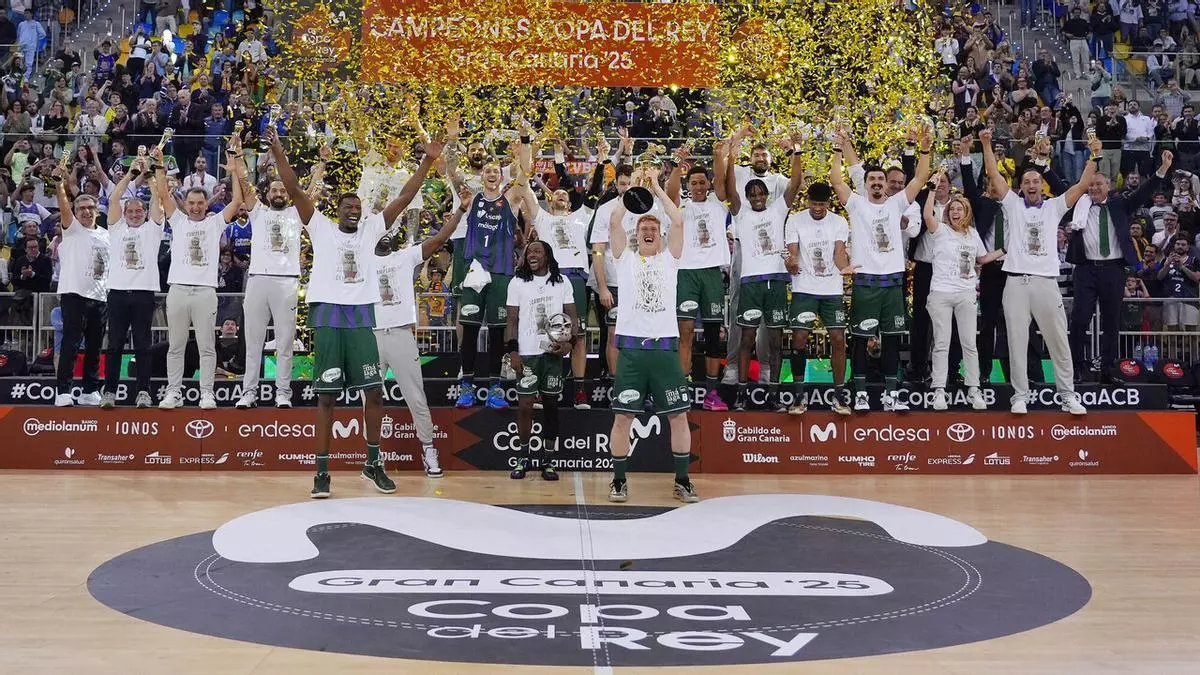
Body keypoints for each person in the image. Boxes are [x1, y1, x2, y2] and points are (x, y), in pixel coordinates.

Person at [269, 127, 441, 499]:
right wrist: (279, 150)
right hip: (329, 316)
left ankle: (373, 464)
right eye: (348, 207)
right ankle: (322, 472)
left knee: (374, 393)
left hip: (363, 316)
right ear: (338, 211)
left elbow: (405, 196)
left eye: (358, 208)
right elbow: (295, 188)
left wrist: (428, 160)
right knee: (326, 398)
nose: (353, 211)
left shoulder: (371, 230)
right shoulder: (321, 228)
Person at [980, 127, 1091, 415]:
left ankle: (1067, 395)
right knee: (1016, 341)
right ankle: (1019, 396)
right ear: (1020, 187)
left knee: (1058, 340)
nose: (1031, 184)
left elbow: (1082, 186)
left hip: (1045, 283)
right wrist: (986, 143)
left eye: (1036, 181)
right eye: (1026, 181)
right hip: (1015, 283)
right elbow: (993, 174)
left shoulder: (1054, 206)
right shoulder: (1013, 204)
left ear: (1042, 185)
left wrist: (1095, 156)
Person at [604, 165, 695, 504]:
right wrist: (633, 193)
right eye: (643, 226)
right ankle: (618, 481)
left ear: (660, 235)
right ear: (636, 233)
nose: (649, 230)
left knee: (679, 416)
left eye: (654, 228)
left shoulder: (670, 260)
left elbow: (679, 221)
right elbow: (615, 222)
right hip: (631, 351)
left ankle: (683, 480)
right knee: (622, 418)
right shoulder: (624, 259)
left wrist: (656, 187)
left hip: (664, 350)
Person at [830, 126, 933, 413]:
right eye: (872, 179)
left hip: (893, 283)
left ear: (887, 184)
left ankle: (891, 394)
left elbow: (921, 177)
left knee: (891, 341)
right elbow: (836, 180)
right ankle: (861, 394)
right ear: (865, 184)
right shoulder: (856, 204)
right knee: (861, 340)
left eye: (880, 179)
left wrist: (925, 149)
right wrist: (838, 150)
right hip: (866, 282)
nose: (876, 183)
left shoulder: (897, 203)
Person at [373, 185, 465, 480]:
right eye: (380, 230)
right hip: (371, 336)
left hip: (401, 334)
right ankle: (372, 457)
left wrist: (461, 210)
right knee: (370, 399)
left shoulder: (405, 257)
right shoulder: (361, 261)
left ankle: (429, 449)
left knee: (416, 396)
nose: (385, 234)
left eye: (390, 231)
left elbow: (439, 239)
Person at [1065, 149, 1170, 382]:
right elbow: (1056, 184)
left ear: (1108, 186)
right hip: (1085, 270)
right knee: (1079, 320)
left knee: (1112, 321)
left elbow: (1143, 192)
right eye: (1090, 185)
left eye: (1098, 184)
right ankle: (1077, 368)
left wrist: (1162, 169)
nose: (1094, 188)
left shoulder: (1120, 204)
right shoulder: (1078, 205)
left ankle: (1107, 370)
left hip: (1113, 270)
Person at [155, 144, 243, 410]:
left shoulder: (215, 222)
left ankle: (207, 393)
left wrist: (235, 170)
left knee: (207, 347)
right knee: (176, 346)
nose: (195, 207)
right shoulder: (178, 221)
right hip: (178, 290)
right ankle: (173, 392)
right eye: (191, 203)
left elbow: (237, 202)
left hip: (205, 291)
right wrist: (159, 165)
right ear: (186, 204)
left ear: (207, 204)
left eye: (200, 203)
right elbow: (162, 193)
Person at [722, 132, 804, 411]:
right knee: (747, 339)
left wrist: (796, 150)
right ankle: (742, 394)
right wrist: (731, 157)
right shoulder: (741, 213)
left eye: (761, 194)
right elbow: (730, 189)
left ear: (768, 196)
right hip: (751, 284)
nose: (757, 197)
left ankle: (773, 394)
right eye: (752, 194)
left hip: (777, 283)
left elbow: (795, 183)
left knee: (775, 341)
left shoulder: (778, 210)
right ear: (747, 197)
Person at [452, 129, 531, 410]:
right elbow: (452, 171)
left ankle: (495, 388)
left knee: (498, 332)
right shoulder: (471, 199)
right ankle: (467, 387)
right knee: (470, 330)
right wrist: (452, 139)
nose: (492, 173)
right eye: (487, 170)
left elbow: (526, 171)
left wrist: (525, 142)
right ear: (482, 176)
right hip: (474, 272)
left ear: (502, 177)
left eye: (496, 170)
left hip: (500, 273)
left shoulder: (511, 199)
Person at [517, 162, 593, 410]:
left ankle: (579, 391)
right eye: (556, 194)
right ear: (550, 203)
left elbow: (594, 190)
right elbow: (526, 191)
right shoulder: (543, 218)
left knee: (578, 335)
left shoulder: (581, 216)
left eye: (564, 194)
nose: (560, 195)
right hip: (550, 279)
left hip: (577, 277)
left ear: (569, 203)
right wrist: (523, 162)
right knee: (545, 331)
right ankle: (541, 389)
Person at [921, 190, 1004, 410]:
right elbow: (927, 215)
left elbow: (982, 258)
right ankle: (939, 390)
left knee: (969, 343)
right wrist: (931, 191)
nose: (955, 212)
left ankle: (973, 389)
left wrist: (1004, 249)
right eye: (952, 209)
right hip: (941, 293)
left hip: (966, 293)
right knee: (942, 343)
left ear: (967, 212)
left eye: (960, 209)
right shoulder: (940, 230)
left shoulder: (973, 234)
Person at [505, 239, 580, 482]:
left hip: (552, 353)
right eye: (528, 252)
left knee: (551, 405)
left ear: (547, 255)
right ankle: (523, 457)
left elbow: (573, 317)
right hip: (527, 354)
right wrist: (513, 351)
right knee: (525, 405)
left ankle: (548, 460)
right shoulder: (517, 282)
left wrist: (570, 343)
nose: (531, 255)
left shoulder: (562, 282)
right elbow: (511, 321)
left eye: (537, 251)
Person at [666, 150, 730, 410]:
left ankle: (712, 393)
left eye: (703, 182)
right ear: (688, 185)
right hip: (686, 273)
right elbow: (670, 192)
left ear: (708, 184)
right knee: (686, 332)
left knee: (714, 334)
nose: (699, 186)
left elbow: (722, 181)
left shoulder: (718, 204)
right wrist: (678, 165)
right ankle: (683, 388)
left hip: (712, 272)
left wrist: (719, 155)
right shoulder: (682, 206)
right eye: (694, 183)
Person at [784, 182, 853, 416]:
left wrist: (845, 268)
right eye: (814, 203)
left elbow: (839, 253)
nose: (817, 208)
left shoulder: (839, 222)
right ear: (807, 201)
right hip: (804, 288)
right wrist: (791, 262)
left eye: (822, 204)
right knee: (799, 338)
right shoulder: (795, 220)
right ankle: (798, 396)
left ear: (829, 202)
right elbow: (792, 252)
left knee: (838, 338)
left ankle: (839, 395)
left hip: (831, 290)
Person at [234, 178, 303, 409]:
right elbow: (245, 185)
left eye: (283, 190)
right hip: (258, 279)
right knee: (253, 343)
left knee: (285, 343)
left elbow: (310, 194)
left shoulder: (296, 213)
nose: (279, 193)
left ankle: (283, 393)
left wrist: (322, 164)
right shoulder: (258, 212)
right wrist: (236, 163)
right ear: (267, 194)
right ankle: (248, 392)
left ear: (289, 194)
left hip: (287, 281)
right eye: (274, 190)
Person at [102, 156, 162, 408]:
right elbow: (114, 198)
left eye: (139, 211)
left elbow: (159, 200)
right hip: (117, 292)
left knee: (143, 345)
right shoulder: (116, 228)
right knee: (114, 344)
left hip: (144, 293)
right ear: (125, 214)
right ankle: (109, 392)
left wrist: (149, 178)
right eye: (131, 211)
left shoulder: (153, 229)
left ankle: (144, 392)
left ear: (145, 213)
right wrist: (131, 174)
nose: (135, 214)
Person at [51, 167, 109, 407]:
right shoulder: (72, 229)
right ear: (75, 213)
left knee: (95, 347)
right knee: (71, 344)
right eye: (81, 208)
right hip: (74, 294)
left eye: (90, 207)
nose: (86, 211)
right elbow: (64, 205)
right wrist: (59, 184)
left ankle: (89, 390)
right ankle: (63, 391)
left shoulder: (107, 235)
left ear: (97, 210)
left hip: (100, 296)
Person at [1158, 235, 1200, 331]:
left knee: (1191, 331)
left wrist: (1182, 266)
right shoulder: (1166, 260)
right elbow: (1159, 277)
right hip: (1170, 298)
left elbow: (1197, 278)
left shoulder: (1194, 260)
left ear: (1188, 247)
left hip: (1190, 299)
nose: (1180, 246)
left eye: (1183, 244)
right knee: (1172, 330)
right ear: (1174, 246)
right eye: (1178, 244)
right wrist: (1167, 265)